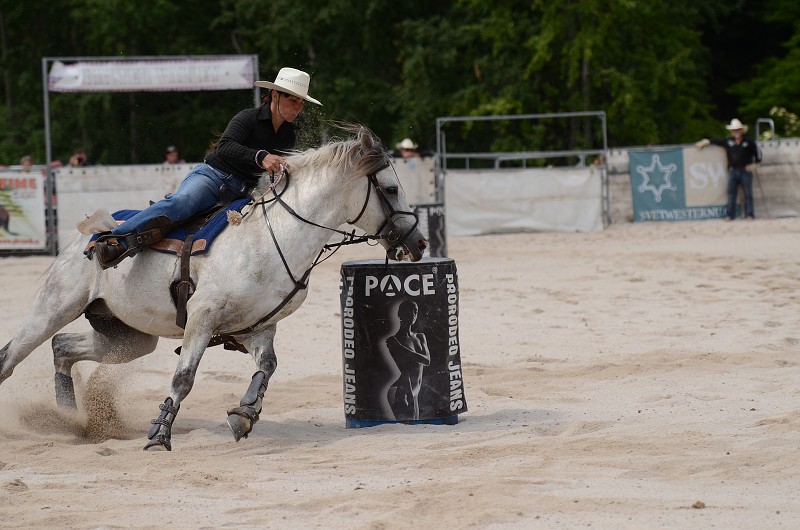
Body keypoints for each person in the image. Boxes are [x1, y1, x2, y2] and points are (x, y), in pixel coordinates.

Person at [94, 67, 322, 267]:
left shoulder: (288, 135)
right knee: (183, 203)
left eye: (301, 102)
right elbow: (224, 147)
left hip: (242, 193)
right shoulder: (248, 118)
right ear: (274, 95)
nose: (298, 107)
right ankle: (115, 239)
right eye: (293, 100)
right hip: (212, 177)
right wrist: (261, 156)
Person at [696, 118, 762, 220]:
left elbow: (758, 152)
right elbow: (717, 141)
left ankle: (749, 214)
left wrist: (756, 164)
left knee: (748, 194)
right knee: (731, 194)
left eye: (737, 130)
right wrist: (707, 141)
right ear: (732, 132)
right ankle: (730, 215)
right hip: (733, 170)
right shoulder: (728, 142)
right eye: (734, 130)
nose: (735, 132)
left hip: (745, 170)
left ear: (741, 130)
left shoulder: (749, 142)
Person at [386, 300, 431, 421]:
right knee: (406, 428)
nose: (412, 314)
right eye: (408, 311)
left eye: (415, 311)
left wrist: (401, 349)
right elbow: (404, 369)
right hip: (402, 390)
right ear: (399, 314)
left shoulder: (420, 337)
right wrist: (410, 397)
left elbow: (427, 360)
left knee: (411, 427)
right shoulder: (394, 340)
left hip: (414, 391)